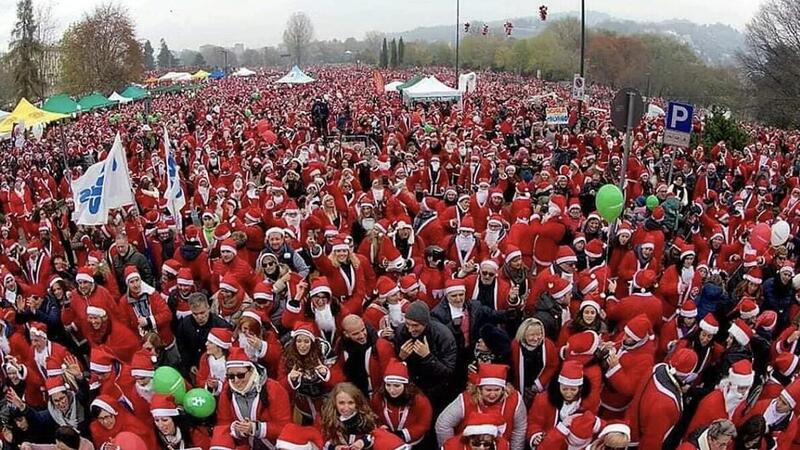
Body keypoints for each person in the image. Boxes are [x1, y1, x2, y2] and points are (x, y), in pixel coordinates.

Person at [216, 346, 292, 448]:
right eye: (231, 376)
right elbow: (223, 423)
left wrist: (256, 428)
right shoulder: (227, 392)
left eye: (241, 375)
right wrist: (236, 429)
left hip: (274, 445)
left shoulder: (273, 389)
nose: (236, 380)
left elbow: (284, 427)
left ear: (251, 371)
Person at [435, 363, 526, 449]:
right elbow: (443, 424)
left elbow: (519, 431)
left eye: (497, 390)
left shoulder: (515, 400)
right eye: (488, 390)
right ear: (479, 389)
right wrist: (450, 446)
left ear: (503, 389)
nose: (492, 394)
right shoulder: (466, 399)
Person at [392, 300, 457, 410]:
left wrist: (428, 357)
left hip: (437, 390)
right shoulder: (401, 332)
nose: (410, 329)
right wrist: (401, 358)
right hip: (412, 387)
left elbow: (448, 372)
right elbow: (395, 366)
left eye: (415, 325)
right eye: (408, 324)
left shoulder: (443, 335)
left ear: (425, 323)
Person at [320, 382, 406, 450]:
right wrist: (335, 447)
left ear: (357, 403)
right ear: (335, 403)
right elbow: (323, 440)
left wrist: (362, 442)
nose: (346, 407)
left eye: (351, 403)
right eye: (341, 403)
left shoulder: (365, 419)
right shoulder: (328, 420)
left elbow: (373, 435)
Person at [370, 358, 433, 446]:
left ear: (406, 385)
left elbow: (423, 424)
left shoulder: (419, 400)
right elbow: (374, 416)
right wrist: (382, 428)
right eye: (388, 385)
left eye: (397, 386)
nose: (391, 390)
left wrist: (402, 435)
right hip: (389, 442)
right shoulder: (378, 397)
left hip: (414, 443)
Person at [175, 292, 232, 377]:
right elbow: (182, 346)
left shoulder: (221, 326)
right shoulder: (184, 324)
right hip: (192, 367)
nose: (199, 317)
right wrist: (190, 364)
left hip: (215, 370)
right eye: (195, 314)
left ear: (208, 308)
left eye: (202, 313)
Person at [511, 318, 559, 407]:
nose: (536, 338)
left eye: (539, 334)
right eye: (531, 335)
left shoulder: (548, 345)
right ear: (523, 334)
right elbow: (511, 368)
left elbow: (552, 366)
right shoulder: (515, 346)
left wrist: (538, 384)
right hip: (518, 387)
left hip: (540, 387)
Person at [88, 394, 158, 449]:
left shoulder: (131, 425)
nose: (105, 422)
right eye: (100, 418)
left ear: (115, 413)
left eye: (107, 417)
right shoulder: (96, 428)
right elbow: (98, 444)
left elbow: (146, 443)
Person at [440, 412, 510, 450]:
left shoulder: (502, 446)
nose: (481, 448)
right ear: (468, 439)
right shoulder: (452, 447)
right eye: (476, 444)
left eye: (487, 444)